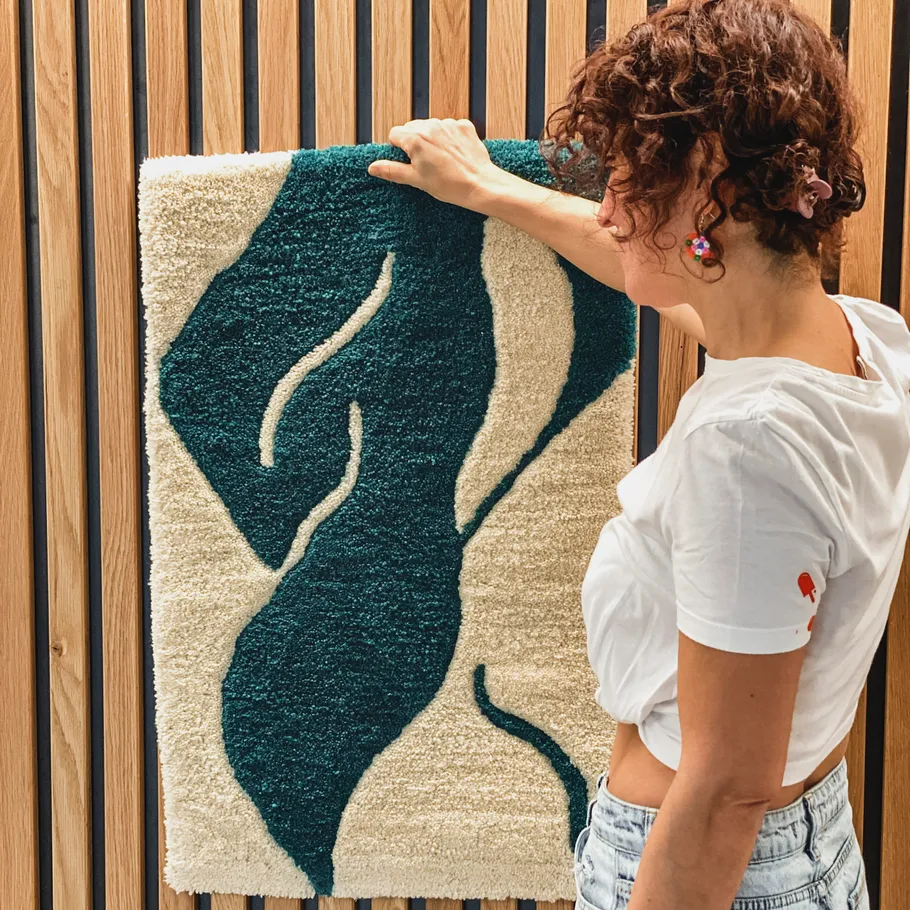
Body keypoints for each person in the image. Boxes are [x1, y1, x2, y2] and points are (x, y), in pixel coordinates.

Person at [366, 1, 910, 907]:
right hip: (805, 848)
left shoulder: (747, 448)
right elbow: (659, 276)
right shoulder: (863, 342)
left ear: (709, 191)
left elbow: (725, 790)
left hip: (709, 870)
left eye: (629, 181)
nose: (607, 209)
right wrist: (485, 189)